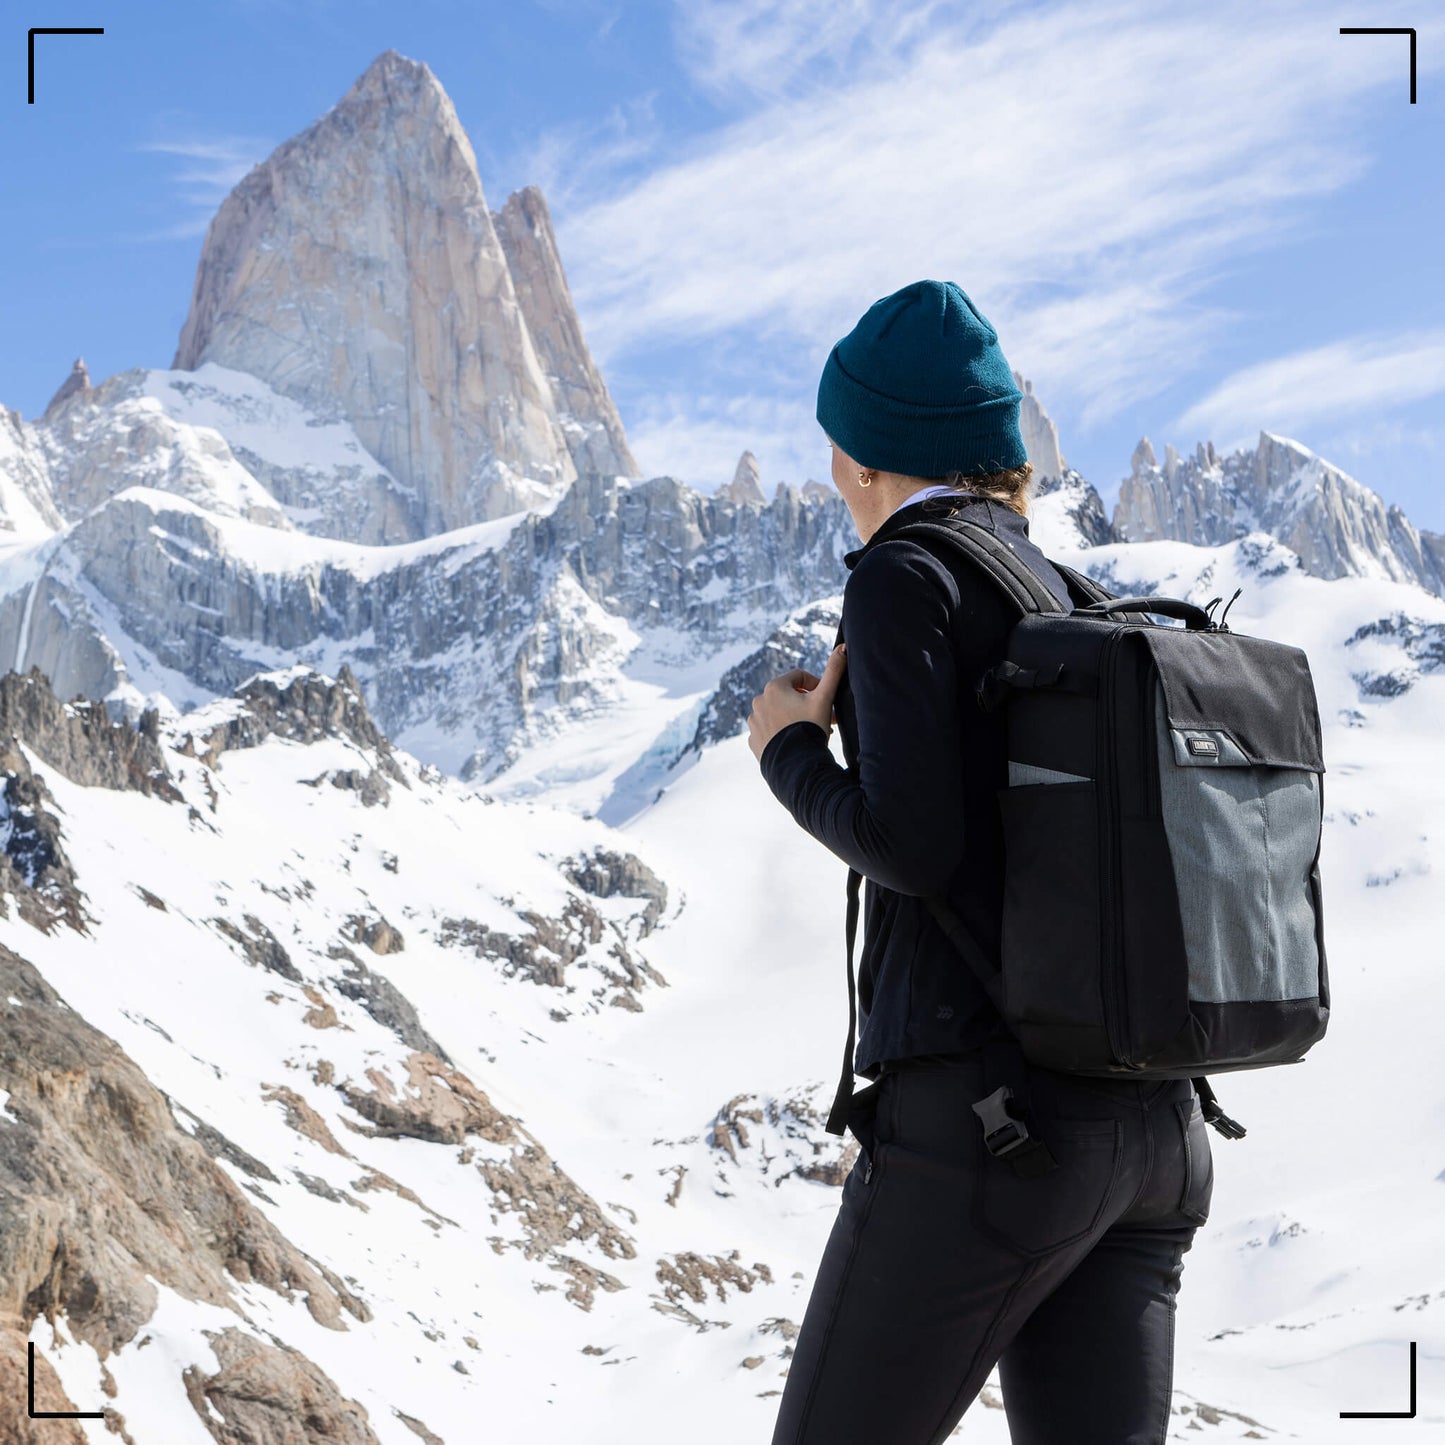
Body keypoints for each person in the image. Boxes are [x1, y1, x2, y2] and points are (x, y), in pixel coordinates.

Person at [747, 279, 1213, 1445]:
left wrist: (789, 749)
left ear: (866, 458)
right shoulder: (1066, 594)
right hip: (1149, 1138)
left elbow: (912, 845)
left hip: (990, 1136)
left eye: (835, 453)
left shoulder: (905, 573)